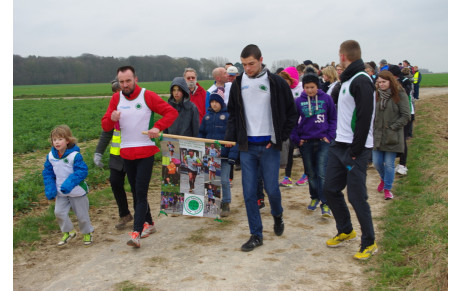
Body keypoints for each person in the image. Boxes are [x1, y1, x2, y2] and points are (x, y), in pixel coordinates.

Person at [224, 44, 297, 252]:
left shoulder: (275, 82)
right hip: (247, 147)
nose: (247, 68)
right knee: (248, 193)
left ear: (261, 60)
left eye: (251, 64)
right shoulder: (238, 83)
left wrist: (279, 138)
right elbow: (232, 114)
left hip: (269, 147)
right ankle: (256, 234)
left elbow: (292, 114)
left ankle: (278, 215)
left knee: (272, 189)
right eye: (244, 64)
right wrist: (230, 138)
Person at [101, 66, 178, 248]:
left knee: (140, 192)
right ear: (118, 82)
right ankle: (149, 224)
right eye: (122, 82)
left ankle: (136, 232)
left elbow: (171, 112)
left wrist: (157, 127)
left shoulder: (147, 96)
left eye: (128, 81)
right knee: (135, 190)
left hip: (145, 151)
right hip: (126, 151)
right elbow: (105, 126)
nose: (125, 85)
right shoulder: (116, 98)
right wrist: (112, 118)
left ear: (135, 79)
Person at [323, 40, 378, 260]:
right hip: (339, 144)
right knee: (330, 189)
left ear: (344, 56)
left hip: (356, 148)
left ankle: (369, 242)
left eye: (339, 55)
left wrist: (356, 149)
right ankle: (346, 230)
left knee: (357, 197)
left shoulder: (361, 80)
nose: (338, 58)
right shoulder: (345, 80)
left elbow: (365, 117)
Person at [290, 72, 337, 217]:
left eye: (312, 87)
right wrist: (297, 139)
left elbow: (333, 118)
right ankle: (314, 197)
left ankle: (325, 203)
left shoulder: (326, 99)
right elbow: (293, 122)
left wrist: (330, 136)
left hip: (323, 141)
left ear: (317, 86)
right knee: (310, 173)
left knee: (321, 173)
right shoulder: (298, 101)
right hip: (306, 142)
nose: (309, 90)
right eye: (306, 87)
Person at [42, 125, 94, 246]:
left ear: (67, 140)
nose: (57, 142)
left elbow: (82, 171)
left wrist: (69, 184)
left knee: (82, 216)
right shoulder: (51, 156)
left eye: (60, 139)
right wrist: (50, 187)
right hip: (61, 192)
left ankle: (87, 233)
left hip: (77, 191)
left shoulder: (75, 155)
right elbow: (47, 172)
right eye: (54, 140)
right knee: (59, 212)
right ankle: (69, 231)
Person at [93, 79, 133, 230]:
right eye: (115, 94)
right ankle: (125, 215)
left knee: (137, 187)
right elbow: (106, 132)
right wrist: (98, 152)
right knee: (116, 183)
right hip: (116, 156)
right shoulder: (113, 112)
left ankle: (144, 216)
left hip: (132, 154)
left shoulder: (134, 109)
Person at [199, 89, 238, 216]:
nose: (214, 104)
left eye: (217, 102)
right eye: (212, 102)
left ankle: (226, 203)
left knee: (225, 180)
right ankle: (212, 203)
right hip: (210, 155)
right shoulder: (207, 117)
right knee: (211, 180)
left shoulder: (228, 116)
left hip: (224, 155)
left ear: (222, 103)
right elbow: (201, 134)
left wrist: (232, 155)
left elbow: (234, 137)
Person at [372, 70, 411, 200]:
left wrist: (393, 127)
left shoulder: (399, 94)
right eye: (379, 82)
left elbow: (406, 115)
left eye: (384, 82)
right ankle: (383, 179)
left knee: (389, 164)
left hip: (392, 135)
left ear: (390, 81)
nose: (381, 84)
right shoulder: (377, 95)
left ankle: (388, 189)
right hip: (378, 135)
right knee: (377, 162)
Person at [277, 66, 308, 187]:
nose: (284, 82)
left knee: (304, 151)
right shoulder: (284, 89)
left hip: (302, 124)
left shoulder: (302, 87)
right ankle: (287, 177)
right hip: (290, 125)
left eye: (286, 79)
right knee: (289, 150)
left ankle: (307, 175)